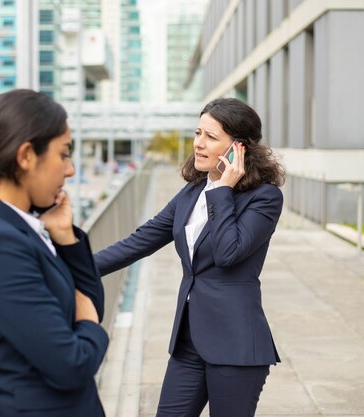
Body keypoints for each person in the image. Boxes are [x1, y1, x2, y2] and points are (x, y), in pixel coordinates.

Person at [95, 97, 286, 417]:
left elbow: (228, 253)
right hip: (188, 342)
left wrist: (222, 189)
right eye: (198, 133)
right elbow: (139, 242)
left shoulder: (264, 198)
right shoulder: (191, 193)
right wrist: (67, 267)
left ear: (239, 148)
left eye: (211, 137)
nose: (198, 144)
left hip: (235, 347)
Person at [0, 89, 109, 417]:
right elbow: (71, 364)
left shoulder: (20, 227)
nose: (70, 170)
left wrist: (66, 237)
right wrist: (89, 323)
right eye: (63, 154)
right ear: (26, 155)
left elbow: (91, 303)